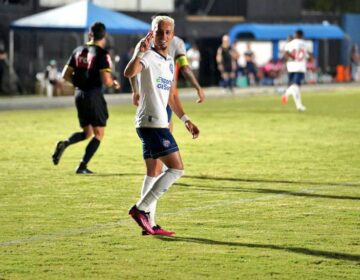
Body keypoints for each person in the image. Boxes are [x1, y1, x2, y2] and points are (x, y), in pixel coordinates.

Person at [124, 15, 200, 235]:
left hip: (157, 122)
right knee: (176, 169)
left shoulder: (168, 61)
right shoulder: (147, 56)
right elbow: (129, 72)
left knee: (154, 173)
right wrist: (139, 50)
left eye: (167, 32)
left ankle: (150, 224)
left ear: (172, 35)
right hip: (151, 123)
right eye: (159, 32)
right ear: (152, 33)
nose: (163, 36)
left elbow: (170, 97)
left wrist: (185, 120)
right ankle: (140, 210)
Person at [52, 22, 120, 174]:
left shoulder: (78, 50)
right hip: (93, 94)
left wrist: (78, 84)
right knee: (99, 133)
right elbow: (106, 80)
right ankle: (82, 166)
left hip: (79, 94)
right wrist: (114, 83)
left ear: (90, 34)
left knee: (87, 132)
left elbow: (65, 75)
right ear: (105, 36)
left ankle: (65, 143)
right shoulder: (102, 54)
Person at [281, 30, 310, 112]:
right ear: (302, 35)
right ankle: (285, 93)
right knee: (296, 86)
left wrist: (292, 57)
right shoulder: (305, 44)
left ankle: (299, 106)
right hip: (300, 67)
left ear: (295, 35)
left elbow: (285, 54)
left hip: (290, 67)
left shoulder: (289, 43)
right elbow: (308, 56)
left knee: (295, 88)